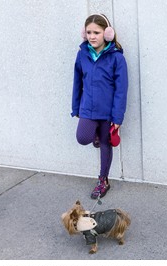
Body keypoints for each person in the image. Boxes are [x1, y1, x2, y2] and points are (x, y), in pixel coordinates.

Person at [71, 14, 128, 199]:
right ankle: (93, 132)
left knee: (105, 144)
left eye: (97, 32)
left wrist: (117, 117)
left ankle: (103, 180)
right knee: (82, 137)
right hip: (87, 108)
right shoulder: (82, 54)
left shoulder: (116, 58)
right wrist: (76, 108)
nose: (92, 36)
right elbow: (77, 82)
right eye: (89, 32)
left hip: (107, 111)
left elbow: (121, 89)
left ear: (108, 33)